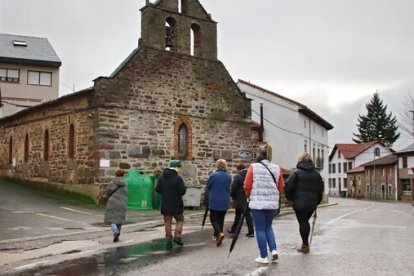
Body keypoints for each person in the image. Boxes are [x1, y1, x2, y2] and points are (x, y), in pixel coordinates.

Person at [244, 144, 284, 264]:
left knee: (260, 229)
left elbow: (247, 185)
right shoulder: (277, 168)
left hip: (257, 203)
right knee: (268, 227)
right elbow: (281, 186)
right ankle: (274, 250)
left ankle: (263, 256)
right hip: (272, 204)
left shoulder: (253, 167)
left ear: (259, 154)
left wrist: (248, 195)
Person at [284, 153, 324, 254]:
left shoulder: (296, 173)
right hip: (311, 204)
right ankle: (305, 244)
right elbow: (320, 190)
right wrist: (317, 202)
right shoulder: (317, 174)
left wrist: (290, 198)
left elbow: (288, 186)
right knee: (305, 221)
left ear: (300, 161)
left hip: (299, 203)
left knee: (303, 222)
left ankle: (305, 245)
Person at [156, 160, 187, 248]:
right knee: (180, 219)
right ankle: (177, 235)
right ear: (177, 168)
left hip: (166, 203)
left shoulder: (162, 177)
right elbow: (182, 191)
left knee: (167, 221)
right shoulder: (178, 178)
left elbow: (158, 189)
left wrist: (165, 192)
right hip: (176, 203)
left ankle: (168, 238)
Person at [206, 159, 231, 246]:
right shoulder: (228, 176)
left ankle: (219, 233)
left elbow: (208, 185)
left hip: (215, 200)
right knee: (221, 218)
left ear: (217, 165)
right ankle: (218, 236)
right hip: (225, 200)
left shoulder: (213, 175)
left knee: (213, 218)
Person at [228, 163, 254, 237]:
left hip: (239, 199)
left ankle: (235, 230)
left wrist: (232, 195)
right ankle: (250, 231)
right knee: (247, 215)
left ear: (238, 169)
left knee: (238, 215)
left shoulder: (238, 176)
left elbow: (234, 188)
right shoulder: (249, 175)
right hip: (248, 198)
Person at [104, 169, 128, 243]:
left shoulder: (113, 182)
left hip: (113, 202)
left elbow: (108, 191)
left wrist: (106, 196)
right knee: (119, 219)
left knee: (111, 218)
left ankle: (115, 231)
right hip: (122, 202)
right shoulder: (126, 183)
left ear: (116, 175)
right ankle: (117, 235)